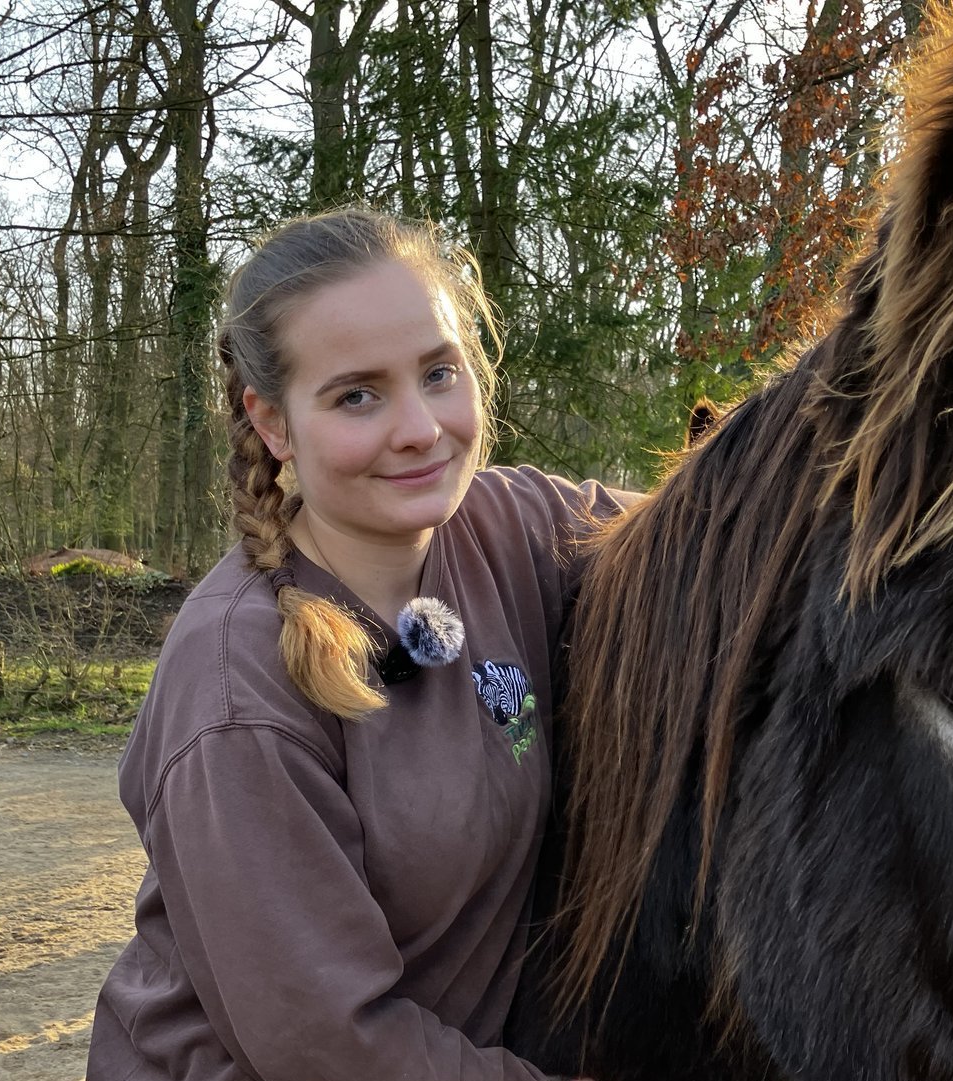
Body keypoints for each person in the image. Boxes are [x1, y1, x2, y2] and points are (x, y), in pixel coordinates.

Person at [87, 208, 629, 1081]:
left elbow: (720, 530)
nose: (420, 427)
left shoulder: (509, 525)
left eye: (439, 372)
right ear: (271, 423)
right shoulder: (236, 686)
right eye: (357, 395)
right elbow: (333, 1047)